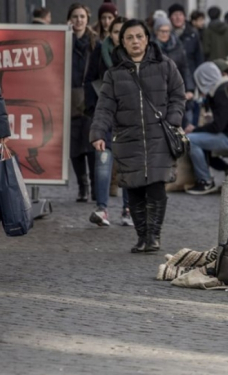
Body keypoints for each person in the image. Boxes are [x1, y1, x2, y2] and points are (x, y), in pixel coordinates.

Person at [89, 19, 185, 253]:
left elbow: (178, 94)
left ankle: (154, 236)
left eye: (139, 36)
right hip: (128, 137)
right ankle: (142, 236)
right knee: (133, 188)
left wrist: (172, 120)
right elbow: (104, 107)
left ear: (147, 39)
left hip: (158, 136)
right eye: (129, 37)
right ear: (121, 41)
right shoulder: (114, 74)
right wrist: (98, 132)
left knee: (156, 187)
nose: (135, 41)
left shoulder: (165, 65)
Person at [84, 16, 133, 227]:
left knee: (129, 165)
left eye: (123, 32)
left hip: (129, 118)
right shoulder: (100, 51)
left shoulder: (136, 53)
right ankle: (102, 209)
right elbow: (89, 79)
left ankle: (129, 210)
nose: (118, 36)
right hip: (105, 114)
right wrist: (92, 107)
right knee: (103, 162)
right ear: (110, 33)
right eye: (115, 32)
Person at [184, 62, 228, 195]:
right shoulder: (225, 88)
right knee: (198, 139)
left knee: (191, 140)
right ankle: (225, 169)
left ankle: (205, 180)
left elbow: (218, 126)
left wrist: (195, 130)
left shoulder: (221, 92)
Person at [68, 3, 97, 203]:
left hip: (90, 98)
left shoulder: (95, 42)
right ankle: (82, 185)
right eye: (75, 16)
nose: (79, 20)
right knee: (74, 147)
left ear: (87, 19)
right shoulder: (63, 40)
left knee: (92, 146)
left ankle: (96, 186)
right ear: (70, 19)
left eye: (82, 17)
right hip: (68, 98)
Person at [154, 17, 195, 100]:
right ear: (156, 32)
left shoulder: (178, 46)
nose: (164, 34)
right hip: (157, 90)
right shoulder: (151, 47)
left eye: (167, 31)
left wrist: (190, 89)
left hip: (176, 88)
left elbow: (185, 68)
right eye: (162, 31)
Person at [168, 3, 204, 77]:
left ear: (184, 17)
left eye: (180, 15)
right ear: (170, 18)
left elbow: (199, 56)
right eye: (175, 15)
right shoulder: (166, 33)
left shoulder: (192, 33)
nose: (178, 18)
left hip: (190, 74)